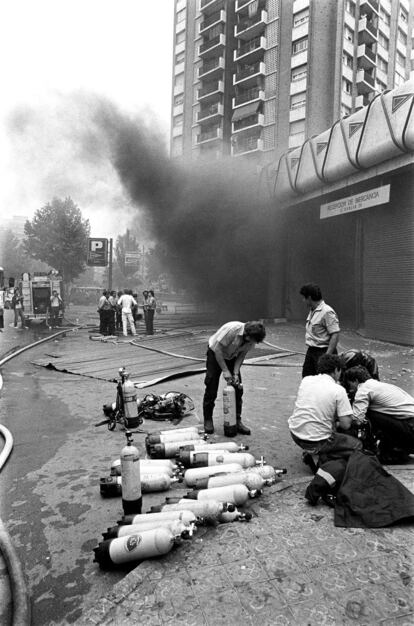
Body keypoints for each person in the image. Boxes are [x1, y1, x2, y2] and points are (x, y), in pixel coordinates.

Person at [288, 354, 362, 506]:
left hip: (295, 433)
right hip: (317, 440)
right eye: (340, 371)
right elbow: (346, 424)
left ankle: (314, 455)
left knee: (331, 431)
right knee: (356, 446)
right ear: (336, 370)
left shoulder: (306, 380)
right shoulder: (338, 389)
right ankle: (324, 466)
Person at [202, 320, 266, 435]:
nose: (254, 343)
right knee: (211, 386)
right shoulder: (231, 330)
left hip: (232, 357)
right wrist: (225, 371)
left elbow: (242, 355)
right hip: (215, 353)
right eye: (253, 341)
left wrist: (235, 373)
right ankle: (208, 419)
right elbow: (218, 350)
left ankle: (237, 421)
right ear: (247, 335)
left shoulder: (251, 339)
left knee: (237, 389)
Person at [345, 366, 414, 464]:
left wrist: (341, 422)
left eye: (350, 385)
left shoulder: (363, 390)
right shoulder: (383, 386)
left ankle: (383, 450)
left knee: (369, 414)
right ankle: (391, 449)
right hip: (409, 425)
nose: (351, 389)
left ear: (355, 381)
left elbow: (357, 419)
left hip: (410, 430)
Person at [300, 283, 340, 378]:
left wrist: (327, 357)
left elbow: (335, 334)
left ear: (309, 298)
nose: (303, 301)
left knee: (324, 381)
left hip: (323, 351)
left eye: (304, 298)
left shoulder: (327, 311)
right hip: (312, 351)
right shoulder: (313, 310)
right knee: (307, 379)